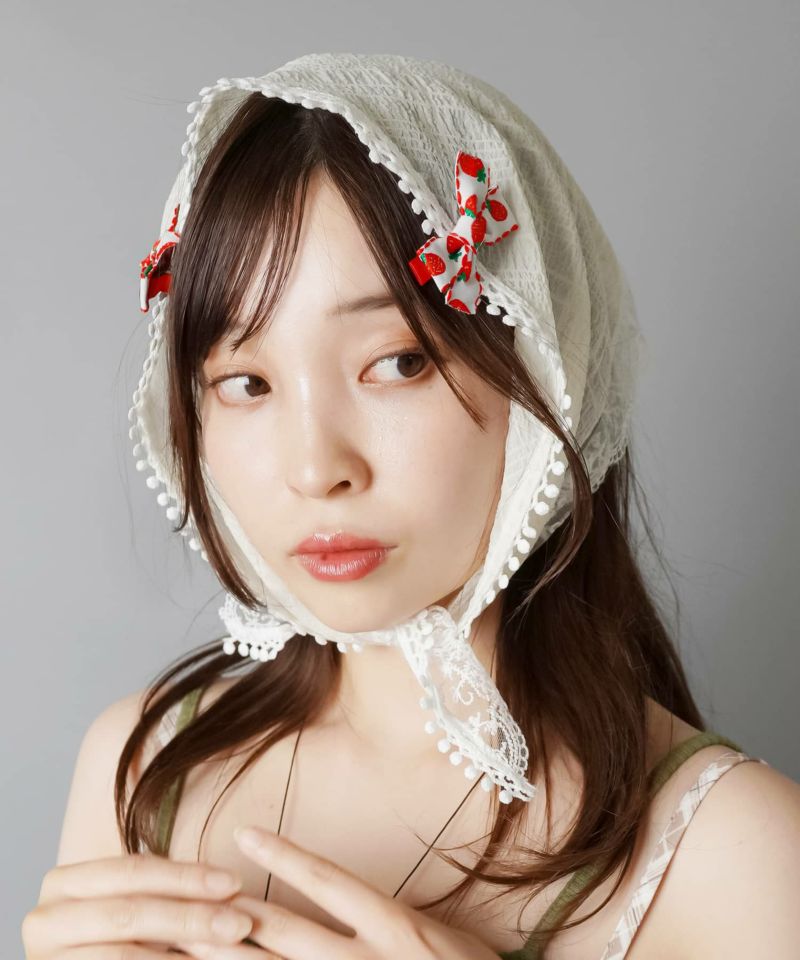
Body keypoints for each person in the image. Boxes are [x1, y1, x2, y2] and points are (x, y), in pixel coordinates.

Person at [23, 53, 800, 960]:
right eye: (246, 382)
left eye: (397, 363)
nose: (315, 468)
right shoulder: (144, 769)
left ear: (546, 365)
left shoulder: (736, 853)